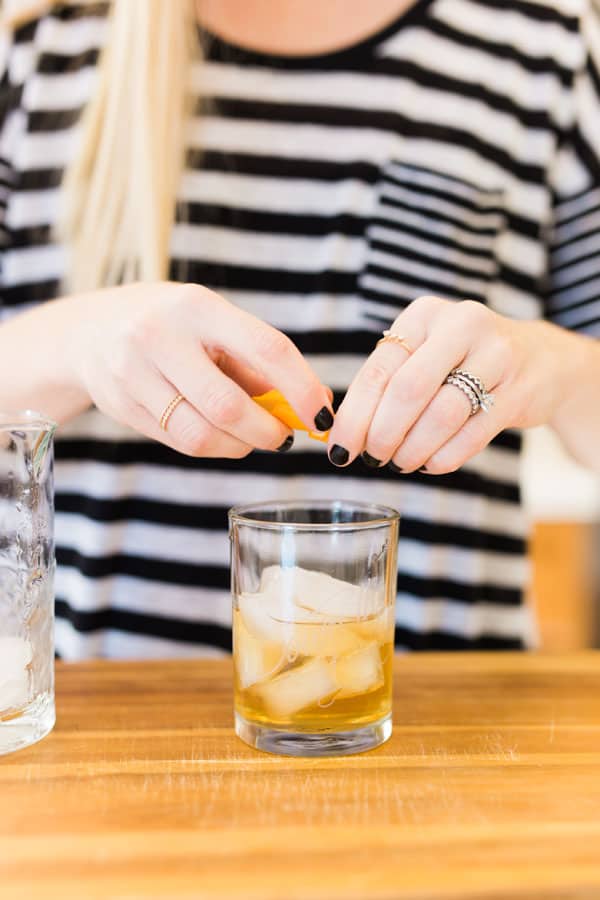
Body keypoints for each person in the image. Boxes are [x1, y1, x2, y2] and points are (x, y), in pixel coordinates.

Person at [0, 0, 599, 659]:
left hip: (442, 713)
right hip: (103, 714)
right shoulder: (38, 55)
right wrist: (74, 343)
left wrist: (560, 370)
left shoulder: (545, 58)